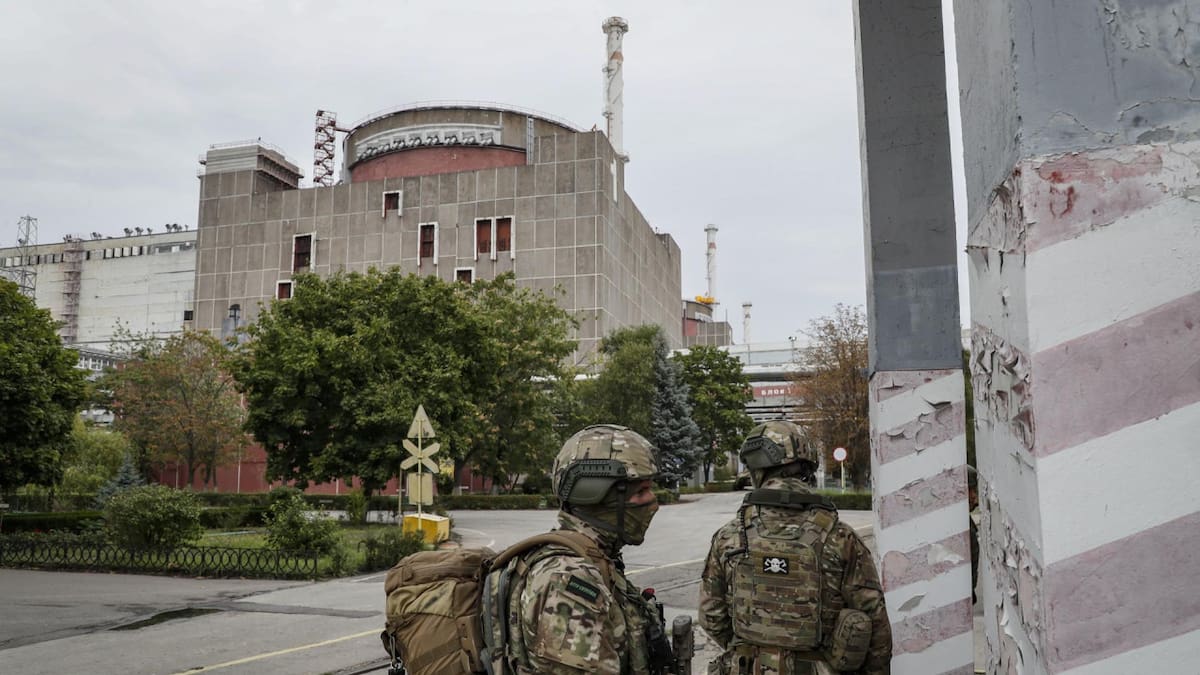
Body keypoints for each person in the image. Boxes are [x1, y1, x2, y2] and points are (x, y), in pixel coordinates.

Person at [699, 421, 892, 674]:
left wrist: (755, 652)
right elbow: (875, 625)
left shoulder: (729, 536)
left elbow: (711, 615)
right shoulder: (841, 537)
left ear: (757, 470)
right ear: (806, 467)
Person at [487, 424, 672, 674]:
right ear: (596, 494)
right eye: (641, 491)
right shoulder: (568, 580)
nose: (653, 503)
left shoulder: (595, 559)